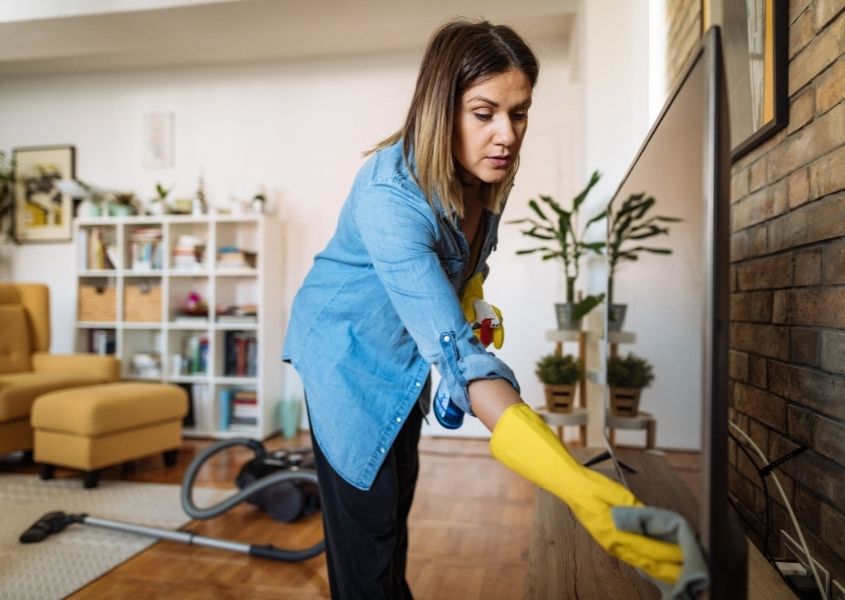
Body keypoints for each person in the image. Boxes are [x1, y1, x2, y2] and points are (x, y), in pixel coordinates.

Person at [284, 18, 683, 600]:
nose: (507, 135)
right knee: (367, 541)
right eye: (484, 112)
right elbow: (462, 365)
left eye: (518, 113)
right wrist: (579, 490)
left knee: (395, 511)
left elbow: (462, 271)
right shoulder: (389, 199)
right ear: (440, 108)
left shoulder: (485, 175)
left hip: (404, 357)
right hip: (345, 356)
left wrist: (468, 300)